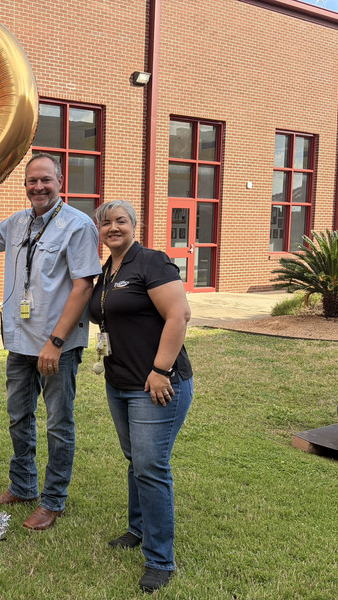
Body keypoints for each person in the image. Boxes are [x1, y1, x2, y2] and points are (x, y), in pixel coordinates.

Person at [0, 153, 101, 531]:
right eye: (32, 181)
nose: (39, 187)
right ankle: (23, 486)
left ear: (60, 181)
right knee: (18, 418)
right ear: (25, 185)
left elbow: (83, 286)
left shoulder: (78, 225)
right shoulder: (18, 222)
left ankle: (53, 500)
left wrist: (56, 342)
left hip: (56, 345)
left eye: (46, 179)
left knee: (58, 424)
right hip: (19, 341)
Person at [87, 200, 193, 593]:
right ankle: (138, 528)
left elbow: (179, 316)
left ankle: (160, 559)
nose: (113, 228)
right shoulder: (107, 270)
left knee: (150, 467)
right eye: (106, 223)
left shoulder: (151, 262)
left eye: (121, 221)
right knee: (136, 461)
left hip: (156, 384)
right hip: (119, 382)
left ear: (135, 225)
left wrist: (161, 370)